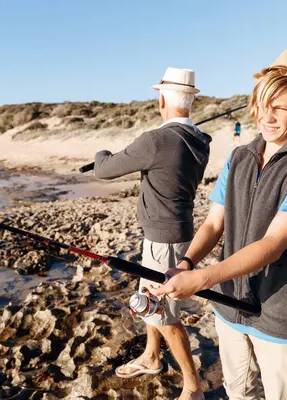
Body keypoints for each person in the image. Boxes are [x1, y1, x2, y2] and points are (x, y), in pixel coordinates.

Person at [150, 47, 287, 399]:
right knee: (238, 393)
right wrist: (186, 264)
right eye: (261, 104)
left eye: (279, 107)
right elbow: (212, 224)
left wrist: (202, 278)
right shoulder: (240, 156)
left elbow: (272, 245)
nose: (266, 117)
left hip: (279, 309)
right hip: (227, 304)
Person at [94, 67, 211, 400]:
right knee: (152, 305)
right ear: (191, 101)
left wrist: (101, 152)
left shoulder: (156, 140)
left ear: (162, 98)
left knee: (165, 317)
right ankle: (151, 356)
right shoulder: (200, 141)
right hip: (176, 233)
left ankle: (193, 386)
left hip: (164, 242)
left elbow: (104, 169)